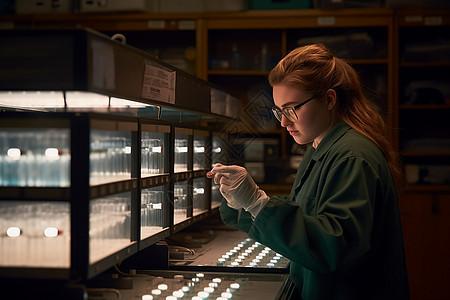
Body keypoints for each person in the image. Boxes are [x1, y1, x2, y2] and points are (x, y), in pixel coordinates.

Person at [207, 44, 410, 300]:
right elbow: (304, 216)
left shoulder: (352, 155)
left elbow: (335, 248)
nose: (283, 122)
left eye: (292, 109)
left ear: (329, 99)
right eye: (279, 110)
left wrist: (258, 204)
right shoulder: (319, 146)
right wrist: (244, 205)